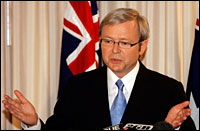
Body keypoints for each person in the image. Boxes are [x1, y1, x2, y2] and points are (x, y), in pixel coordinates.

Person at [2, 8, 196, 130]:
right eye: (108, 41)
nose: (114, 50)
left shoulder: (168, 89)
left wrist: (170, 128)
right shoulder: (78, 87)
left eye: (124, 43)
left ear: (142, 46)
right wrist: (34, 123)